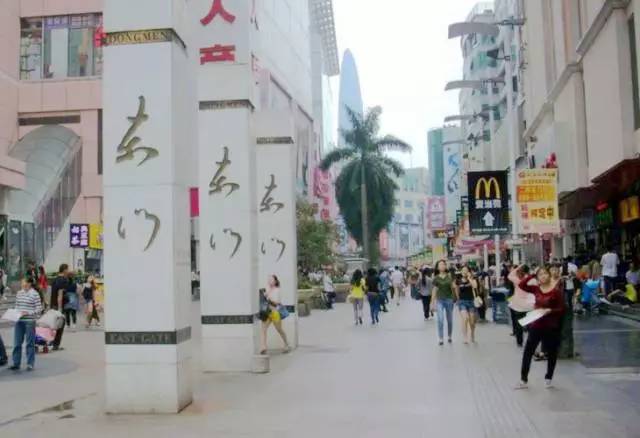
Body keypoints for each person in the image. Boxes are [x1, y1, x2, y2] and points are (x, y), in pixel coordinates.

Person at [515, 265, 565, 389]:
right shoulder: (536, 289)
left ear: (549, 275)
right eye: (540, 274)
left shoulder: (556, 291)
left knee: (552, 352)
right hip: (536, 325)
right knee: (528, 352)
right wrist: (532, 274)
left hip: (551, 326)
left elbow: (562, 309)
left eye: (545, 273)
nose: (543, 276)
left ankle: (549, 378)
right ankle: (523, 379)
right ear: (538, 278)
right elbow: (521, 285)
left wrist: (550, 310)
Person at [9, 276, 43, 371]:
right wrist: (14, 313)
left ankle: (30, 364)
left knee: (29, 343)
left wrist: (28, 312)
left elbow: (39, 309)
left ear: (29, 283)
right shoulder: (19, 293)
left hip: (29, 321)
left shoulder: (35, 294)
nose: (22, 284)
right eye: (22, 282)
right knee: (17, 343)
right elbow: (17, 306)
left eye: (23, 282)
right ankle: (16, 363)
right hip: (19, 321)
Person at [259, 275, 290, 354]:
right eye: (269, 279)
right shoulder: (266, 289)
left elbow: (277, 302)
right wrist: (264, 295)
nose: (270, 281)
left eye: (271, 279)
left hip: (275, 312)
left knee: (279, 330)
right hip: (267, 312)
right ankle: (263, 347)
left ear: (275, 281)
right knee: (263, 329)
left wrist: (269, 298)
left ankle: (286, 344)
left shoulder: (277, 290)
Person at [431, 260, 457, 346]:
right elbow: (434, 290)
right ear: (437, 267)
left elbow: (453, 288)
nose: (442, 266)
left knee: (449, 320)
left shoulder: (450, 277)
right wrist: (432, 302)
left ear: (445, 266)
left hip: (449, 300)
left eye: (443, 264)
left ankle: (449, 336)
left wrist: (455, 295)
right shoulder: (436, 278)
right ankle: (441, 338)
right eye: (440, 265)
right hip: (440, 300)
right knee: (440, 319)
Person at [456, 266, 478, 344]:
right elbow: (457, 290)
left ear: (469, 272)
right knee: (465, 318)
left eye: (466, 270)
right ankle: (465, 337)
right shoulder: (458, 280)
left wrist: (469, 278)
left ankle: (472, 334)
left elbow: (475, 286)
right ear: (461, 271)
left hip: (471, 302)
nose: (464, 271)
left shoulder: (473, 279)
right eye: (463, 270)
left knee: (472, 322)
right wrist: (458, 300)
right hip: (462, 302)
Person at [49, 264, 69, 350]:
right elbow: (60, 294)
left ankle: (52, 342)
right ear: (64, 270)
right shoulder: (63, 280)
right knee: (60, 325)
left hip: (53, 304)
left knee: (54, 324)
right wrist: (60, 308)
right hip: (59, 306)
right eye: (67, 269)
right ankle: (55, 344)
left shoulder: (55, 279)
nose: (68, 271)